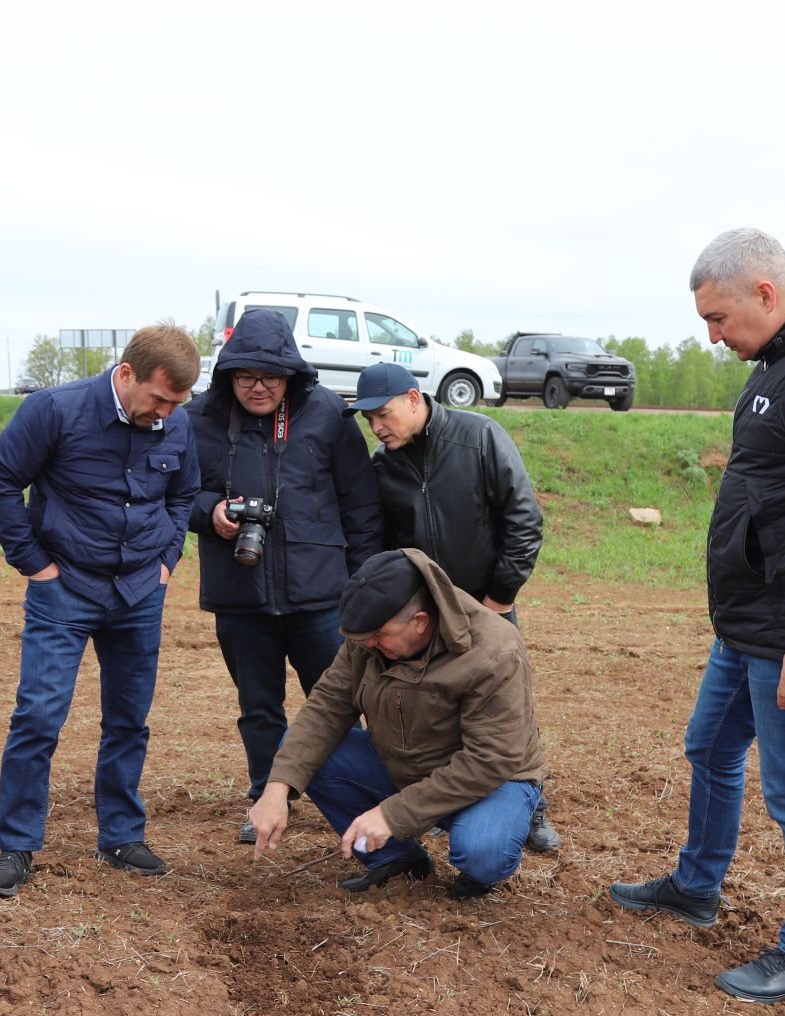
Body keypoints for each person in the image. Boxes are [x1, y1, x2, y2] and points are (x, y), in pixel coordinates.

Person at [609, 228, 785, 1005]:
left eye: (719, 318)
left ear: (766, 294)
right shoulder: (780, 358)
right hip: (748, 620)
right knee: (708, 746)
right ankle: (696, 886)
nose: (712, 337)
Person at [0, 326, 202, 898]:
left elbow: (183, 495)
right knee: (38, 717)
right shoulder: (53, 410)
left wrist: (167, 561)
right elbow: (0, 482)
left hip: (139, 593)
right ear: (126, 374)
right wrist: (36, 566)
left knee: (129, 720)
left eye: (177, 405)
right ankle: (18, 846)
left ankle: (122, 836)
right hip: (65, 589)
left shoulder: (175, 421)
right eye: (158, 400)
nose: (166, 415)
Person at [186, 309, 382, 844]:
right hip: (239, 593)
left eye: (270, 378)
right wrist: (210, 513)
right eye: (245, 376)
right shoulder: (200, 418)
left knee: (341, 704)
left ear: (291, 375)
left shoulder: (326, 414)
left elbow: (360, 506)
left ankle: (364, 805)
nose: (257, 388)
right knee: (258, 708)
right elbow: (175, 495)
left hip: (323, 596)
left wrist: (363, 591)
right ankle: (266, 800)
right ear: (228, 374)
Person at [249, 548, 544, 901]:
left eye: (378, 637)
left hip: (493, 780)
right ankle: (398, 859)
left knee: (483, 851)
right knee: (301, 750)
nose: (368, 645)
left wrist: (392, 815)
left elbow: (490, 759)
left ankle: (478, 867)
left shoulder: (495, 650)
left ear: (420, 621)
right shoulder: (370, 639)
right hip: (406, 763)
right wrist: (277, 787)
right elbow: (326, 708)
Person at [354, 362, 561, 854]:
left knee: (509, 709)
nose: (377, 428)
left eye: (382, 415)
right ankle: (435, 800)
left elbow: (523, 519)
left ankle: (532, 806)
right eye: (368, 421)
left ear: (412, 398)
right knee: (430, 705)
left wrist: (500, 598)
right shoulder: (383, 467)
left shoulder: (480, 437)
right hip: (423, 620)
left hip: (487, 607)